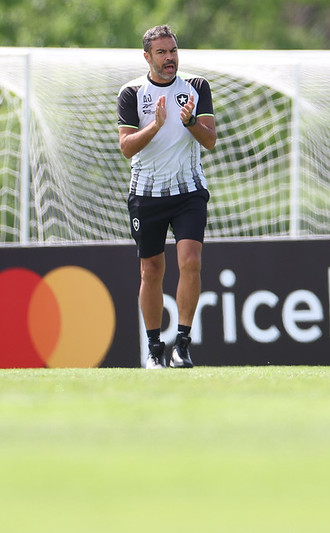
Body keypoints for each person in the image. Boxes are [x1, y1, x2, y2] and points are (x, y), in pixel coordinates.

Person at [117, 25, 217, 369]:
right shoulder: (131, 93)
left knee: (190, 261)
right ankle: (154, 347)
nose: (169, 58)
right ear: (148, 57)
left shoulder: (197, 88)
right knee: (152, 270)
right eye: (161, 52)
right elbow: (126, 147)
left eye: (173, 50)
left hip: (189, 191)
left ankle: (183, 345)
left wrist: (189, 122)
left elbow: (210, 140)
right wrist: (155, 126)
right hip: (146, 195)